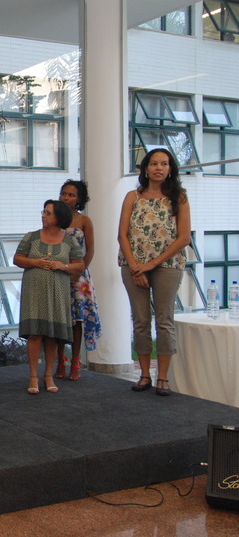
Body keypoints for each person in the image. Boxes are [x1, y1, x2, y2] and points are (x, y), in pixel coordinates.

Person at [118, 148, 190, 397]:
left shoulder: (178, 197)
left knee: (164, 321)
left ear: (170, 169)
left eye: (164, 164)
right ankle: (144, 375)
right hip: (133, 265)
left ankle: (163, 377)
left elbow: (184, 238)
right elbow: (122, 235)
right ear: (146, 168)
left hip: (167, 266)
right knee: (140, 320)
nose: (159, 168)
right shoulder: (132, 196)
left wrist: (151, 265)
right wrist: (135, 266)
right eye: (154, 163)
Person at [14, 200, 84, 394]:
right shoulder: (31, 237)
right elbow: (17, 259)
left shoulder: (69, 240)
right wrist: (35, 262)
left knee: (52, 335)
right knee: (35, 333)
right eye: (43, 212)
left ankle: (48, 375)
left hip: (58, 291)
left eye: (48, 213)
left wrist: (63, 266)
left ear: (59, 217)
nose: (43, 215)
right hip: (34, 291)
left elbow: (80, 265)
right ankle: (33, 377)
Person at [54, 180, 101, 381]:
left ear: (79, 199)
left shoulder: (84, 221)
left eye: (71, 195)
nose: (66, 197)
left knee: (77, 320)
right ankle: (60, 360)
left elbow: (90, 250)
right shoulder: (54, 218)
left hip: (79, 276)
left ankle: (75, 361)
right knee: (58, 319)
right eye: (64, 193)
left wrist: (77, 272)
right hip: (57, 274)